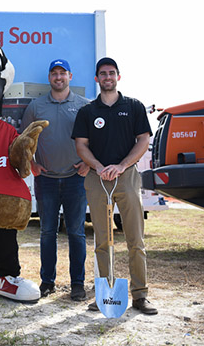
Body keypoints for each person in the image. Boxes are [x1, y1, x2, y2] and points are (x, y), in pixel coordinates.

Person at [72, 57, 157, 315]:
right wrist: (98, 166)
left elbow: (143, 141)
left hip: (127, 177)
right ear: (96, 79)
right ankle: (105, 294)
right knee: (103, 240)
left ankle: (140, 296)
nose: (107, 77)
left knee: (135, 239)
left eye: (111, 73)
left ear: (118, 77)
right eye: (102, 74)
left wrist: (121, 166)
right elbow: (81, 145)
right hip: (98, 179)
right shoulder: (87, 112)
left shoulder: (133, 107)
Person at [20, 59, 90, 301]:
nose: (58, 77)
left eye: (62, 73)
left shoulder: (83, 105)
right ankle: (47, 282)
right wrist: (31, 163)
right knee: (47, 232)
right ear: (49, 77)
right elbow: (24, 140)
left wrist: (88, 163)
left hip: (75, 179)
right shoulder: (36, 106)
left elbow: (95, 139)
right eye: (54, 73)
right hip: (46, 180)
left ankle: (77, 284)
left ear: (70, 76)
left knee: (76, 233)